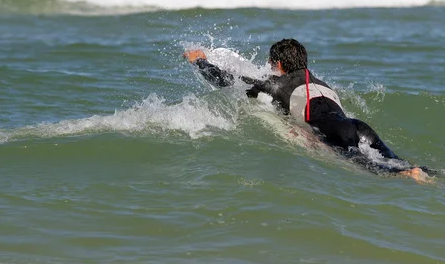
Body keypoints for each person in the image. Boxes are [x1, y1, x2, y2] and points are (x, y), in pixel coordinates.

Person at [184, 38, 430, 182]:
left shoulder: (276, 84)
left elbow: (226, 80)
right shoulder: (320, 82)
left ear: (278, 64)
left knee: (376, 169)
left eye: (270, 63)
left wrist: (200, 60)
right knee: (398, 161)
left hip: (336, 133)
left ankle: (406, 175)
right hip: (359, 126)